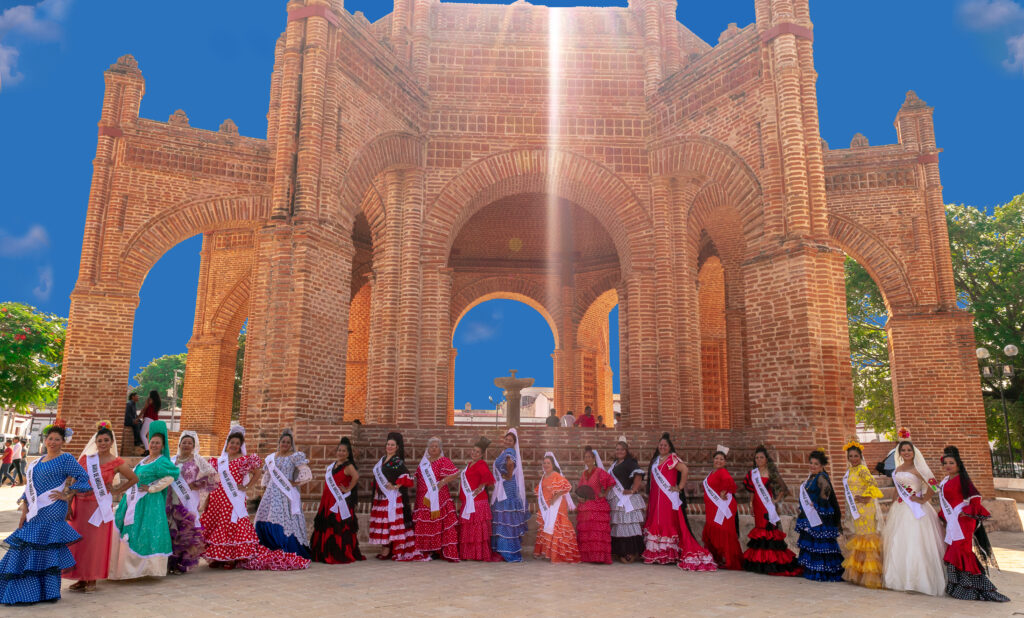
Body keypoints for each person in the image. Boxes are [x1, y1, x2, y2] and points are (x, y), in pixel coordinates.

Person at [0, 422, 90, 605]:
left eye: (57, 439)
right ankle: (23, 591)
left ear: (63, 442)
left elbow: (84, 479)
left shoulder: (66, 459)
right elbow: (29, 489)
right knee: (28, 545)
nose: (53, 442)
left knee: (46, 548)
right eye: (50, 438)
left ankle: (44, 592)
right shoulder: (37, 462)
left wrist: (68, 493)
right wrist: (24, 508)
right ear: (45, 440)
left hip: (53, 508)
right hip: (34, 510)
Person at [201, 426, 310, 570]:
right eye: (231, 442)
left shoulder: (244, 460)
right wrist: (208, 498)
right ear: (227, 443)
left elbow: (257, 473)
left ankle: (232, 558)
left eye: (237, 443)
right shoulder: (219, 461)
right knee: (217, 526)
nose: (233, 445)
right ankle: (219, 557)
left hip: (233, 499)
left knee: (231, 526)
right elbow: (213, 480)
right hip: (218, 498)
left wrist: (247, 487)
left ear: (241, 446)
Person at [64, 421, 138, 592]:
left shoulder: (117, 462)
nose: (103, 444)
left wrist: (117, 489)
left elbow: (134, 479)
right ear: (95, 442)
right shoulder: (86, 459)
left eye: (106, 440)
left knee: (95, 545)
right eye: (100, 441)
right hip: (80, 505)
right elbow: (74, 481)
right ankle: (80, 577)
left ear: (111, 443)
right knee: (78, 543)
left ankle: (92, 578)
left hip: (99, 508)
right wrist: (68, 504)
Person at [109, 420, 181, 580]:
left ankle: (143, 569)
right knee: (131, 531)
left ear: (162, 446)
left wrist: (152, 488)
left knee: (145, 533)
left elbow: (172, 475)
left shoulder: (162, 461)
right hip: (132, 500)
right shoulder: (144, 460)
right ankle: (126, 569)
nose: (154, 445)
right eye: (152, 442)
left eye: (157, 443)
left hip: (148, 503)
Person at [938, 446, 1009, 602]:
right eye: (945, 463)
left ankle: (974, 588)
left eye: (951, 462)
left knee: (962, 550)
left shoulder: (963, 479)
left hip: (963, 520)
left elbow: (976, 497)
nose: (948, 466)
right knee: (954, 550)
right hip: (953, 520)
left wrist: (967, 511)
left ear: (958, 464)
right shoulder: (944, 481)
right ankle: (959, 588)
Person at [881, 430, 945, 595]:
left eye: (909, 450)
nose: (906, 452)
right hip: (900, 509)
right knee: (899, 541)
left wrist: (923, 499)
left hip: (916, 509)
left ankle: (918, 581)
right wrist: (892, 504)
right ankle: (897, 579)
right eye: (903, 450)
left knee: (915, 542)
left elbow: (933, 485)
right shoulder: (898, 469)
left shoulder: (918, 469)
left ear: (914, 452)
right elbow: (897, 489)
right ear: (899, 453)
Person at [643, 433, 717, 571]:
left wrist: (680, 487)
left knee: (666, 522)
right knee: (656, 521)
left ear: (670, 447)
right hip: (655, 498)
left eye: (665, 445)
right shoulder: (656, 460)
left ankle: (667, 554)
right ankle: (658, 554)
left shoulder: (672, 458)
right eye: (661, 445)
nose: (662, 447)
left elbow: (684, 469)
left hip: (668, 497)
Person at [741, 445, 801, 576]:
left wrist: (775, 500)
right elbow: (751, 490)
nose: (759, 459)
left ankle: (771, 562)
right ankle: (760, 562)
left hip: (767, 506)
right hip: (757, 505)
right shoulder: (752, 473)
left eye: (761, 457)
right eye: (756, 458)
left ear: (766, 459)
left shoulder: (771, 473)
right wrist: (751, 504)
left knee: (768, 531)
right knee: (759, 530)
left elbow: (784, 489)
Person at [369, 431, 427, 561]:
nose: (389, 446)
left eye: (392, 445)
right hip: (382, 498)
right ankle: (386, 548)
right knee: (386, 524)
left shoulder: (397, 461)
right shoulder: (382, 460)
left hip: (392, 498)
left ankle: (394, 549)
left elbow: (407, 477)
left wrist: (396, 486)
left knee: (392, 523)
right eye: (388, 444)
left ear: (397, 447)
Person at [255, 429, 312, 559]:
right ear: (279, 443)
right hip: (272, 492)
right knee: (269, 516)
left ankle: (285, 545)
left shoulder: (294, 456)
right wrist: (265, 490)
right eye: (283, 442)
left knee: (284, 518)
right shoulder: (271, 457)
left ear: (291, 444)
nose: (285, 444)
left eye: (288, 442)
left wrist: (295, 483)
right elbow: (267, 475)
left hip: (286, 493)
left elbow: (306, 474)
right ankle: (270, 545)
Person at [167, 431, 218, 574]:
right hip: (172, 498)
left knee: (185, 531)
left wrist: (195, 485)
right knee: (172, 529)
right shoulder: (172, 460)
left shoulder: (197, 460)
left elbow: (211, 476)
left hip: (188, 498)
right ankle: (170, 562)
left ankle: (182, 564)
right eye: (184, 442)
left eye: (190, 443)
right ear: (179, 444)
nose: (187, 445)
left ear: (194, 445)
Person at [309, 437, 365, 564]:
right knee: (325, 524)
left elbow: (356, 477)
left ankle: (337, 553)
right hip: (327, 500)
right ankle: (323, 552)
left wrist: (348, 488)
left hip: (339, 502)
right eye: (339, 450)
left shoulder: (348, 465)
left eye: (344, 451)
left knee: (337, 526)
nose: (341, 453)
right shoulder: (333, 465)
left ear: (348, 453)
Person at [840, 439, 884, 589]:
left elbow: (873, 484)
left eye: (856, 456)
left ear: (860, 457)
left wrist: (866, 497)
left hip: (865, 507)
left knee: (868, 538)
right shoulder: (850, 471)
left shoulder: (862, 469)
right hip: (856, 508)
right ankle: (860, 573)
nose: (853, 459)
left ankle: (871, 576)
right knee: (860, 537)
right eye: (850, 456)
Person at [794, 449, 843, 582]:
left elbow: (826, 492)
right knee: (813, 543)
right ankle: (813, 569)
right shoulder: (812, 477)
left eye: (816, 464)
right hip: (811, 514)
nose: (813, 466)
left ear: (821, 466)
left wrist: (817, 503)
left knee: (820, 544)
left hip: (819, 515)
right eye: (811, 463)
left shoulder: (821, 477)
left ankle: (822, 572)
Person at [414, 436, 460, 561]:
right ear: (427, 449)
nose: (433, 448)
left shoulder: (443, 460)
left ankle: (439, 549)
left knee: (438, 522)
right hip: (424, 498)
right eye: (431, 446)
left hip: (439, 497)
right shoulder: (424, 463)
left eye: (436, 446)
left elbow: (456, 473)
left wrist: (443, 481)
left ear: (440, 449)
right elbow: (417, 476)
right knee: (427, 522)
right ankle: (428, 549)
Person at [533, 452, 580, 563]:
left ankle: (559, 554)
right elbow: (540, 491)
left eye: (548, 463)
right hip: (547, 507)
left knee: (558, 527)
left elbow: (567, 487)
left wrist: (556, 497)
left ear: (553, 464)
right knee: (547, 526)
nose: (546, 465)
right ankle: (549, 553)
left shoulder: (556, 475)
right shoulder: (543, 477)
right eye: (544, 463)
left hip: (557, 505)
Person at [490, 428, 529, 562]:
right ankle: (508, 549)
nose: (507, 441)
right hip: (507, 486)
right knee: (507, 517)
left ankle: (505, 551)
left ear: (514, 443)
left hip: (507, 486)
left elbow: (510, 464)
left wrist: (508, 475)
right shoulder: (507, 451)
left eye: (510, 440)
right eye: (506, 439)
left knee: (505, 517)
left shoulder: (509, 452)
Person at [701, 448, 742, 570]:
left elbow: (729, 482)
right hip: (712, 508)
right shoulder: (711, 473)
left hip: (722, 508)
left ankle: (730, 561)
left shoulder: (723, 471)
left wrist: (724, 491)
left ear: (725, 462)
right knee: (713, 530)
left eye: (721, 459)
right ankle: (717, 558)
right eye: (716, 458)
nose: (718, 461)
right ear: (713, 460)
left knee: (724, 531)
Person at [458, 436, 498, 561]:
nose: (474, 453)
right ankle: (469, 554)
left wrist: (480, 486)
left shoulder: (481, 464)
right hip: (469, 500)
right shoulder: (469, 464)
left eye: (477, 452)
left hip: (477, 500)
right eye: (473, 451)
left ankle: (479, 554)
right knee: (469, 528)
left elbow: (487, 477)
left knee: (477, 528)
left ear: (481, 455)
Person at [606, 439, 646, 563]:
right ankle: (621, 551)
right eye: (617, 449)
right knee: (619, 525)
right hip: (617, 499)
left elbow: (638, 475)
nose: (619, 451)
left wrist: (633, 490)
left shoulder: (630, 462)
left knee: (628, 524)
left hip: (626, 499)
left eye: (622, 449)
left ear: (626, 451)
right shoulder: (615, 463)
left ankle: (631, 552)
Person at [576, 446, 615, 563]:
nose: (587, 459)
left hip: (597, 504)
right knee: (587, 533)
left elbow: (611, 482)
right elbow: (580, 489)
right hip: (586, 505)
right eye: (585, 457)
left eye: (589, 457)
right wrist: (580, 498)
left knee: (597, 533)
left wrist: (605, 493)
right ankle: (588, 557)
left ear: (594, 459)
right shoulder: (584, 473)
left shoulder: (599, 472)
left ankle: (599, 558)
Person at [139, 391, 161, 455]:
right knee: (148, 436)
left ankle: (147, 450)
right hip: (154, 420)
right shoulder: (157, 402)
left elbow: (144, 409)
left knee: (142, 434)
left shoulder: (150, 400)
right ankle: (149, 450)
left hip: (148, 419)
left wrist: (138, 418)